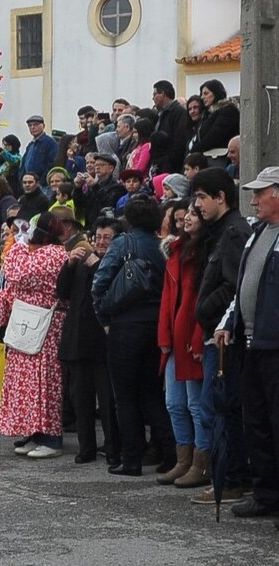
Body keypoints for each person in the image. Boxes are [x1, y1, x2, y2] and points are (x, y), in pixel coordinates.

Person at [92, 194, 175, 476]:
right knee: (152, 393)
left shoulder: (122, 243)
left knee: (124, 396)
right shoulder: (163, 247)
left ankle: (131, 459)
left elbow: (100, 283)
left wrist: (105, 318)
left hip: (125, 326)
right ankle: (172, 454)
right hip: (156, 326)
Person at [216, 167, 279, 518]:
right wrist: (229, 322)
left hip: (275, 346)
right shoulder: (257, 233)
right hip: (253, 344)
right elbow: (242, 290)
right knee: (256, 423)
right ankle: (267, 495)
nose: (253, 200)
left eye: (260, 193)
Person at [191, 167, 253, 505]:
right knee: (217, 407)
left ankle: (232, 480)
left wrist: (207, 312)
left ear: (220, 198)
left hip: (224, 337)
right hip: (215, 333)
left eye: (202, 197)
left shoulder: (233, 232)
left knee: (222, 407)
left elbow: (233, 286)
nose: (196, 205)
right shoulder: (217, 232)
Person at [0, 212, 69, 458]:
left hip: (46, 325)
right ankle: (34, 432)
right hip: (25, 321)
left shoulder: (54, 253)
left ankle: (51, 438)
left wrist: (18, 245)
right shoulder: (34, 253)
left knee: (44, 380)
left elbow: (17, 273)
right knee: (25, 381)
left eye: (29, 228)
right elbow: (15, 284)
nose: (25, 233)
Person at [57, 216, 121, 464]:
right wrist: (69, 265)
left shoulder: (117, 262)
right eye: (98, 237)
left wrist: (95, 263)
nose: (101, 242)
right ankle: (87, 448)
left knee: (107, 401)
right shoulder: (83, 262)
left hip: (103, 343)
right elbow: (62, 292)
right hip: (77, 340)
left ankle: (113, 448)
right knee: (80, 398)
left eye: (107, 237)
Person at [157, 206, 210, 487]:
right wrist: (163, 335)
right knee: (174, 403)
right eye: (182, 215)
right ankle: (184, 460)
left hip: (192, 338)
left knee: (195, 404)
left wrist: (198, 336)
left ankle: (201, 464)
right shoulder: (175, 251)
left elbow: (204, 299)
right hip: (175, 339)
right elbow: (167, 298)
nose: (186, 218)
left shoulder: (203, 253)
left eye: (192, 213)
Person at [190, 80, 240, 155]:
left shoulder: (228, 111)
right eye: (202, 94)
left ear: (216, 93)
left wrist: (194, 150)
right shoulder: (208, 114)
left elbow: (213, 137)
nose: (202, 97)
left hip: (222, 157)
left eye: (206, 94)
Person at [151, 80, 189, 174]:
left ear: (163, 94)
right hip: (159, 165)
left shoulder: (178, 112)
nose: (153, 98)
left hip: (171, 167)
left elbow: (179, 141)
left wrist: (168, 162)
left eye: (155, 94)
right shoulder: (159, 114)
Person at [21, 115, 58, 186]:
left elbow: (51, 164)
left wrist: (41, 181)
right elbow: (23, 165)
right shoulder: (30, 145)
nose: (33, 127)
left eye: (36, 124)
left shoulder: (49, 142)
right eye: (30, 125)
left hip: (43, 184)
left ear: (43, 126)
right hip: (29, 183)